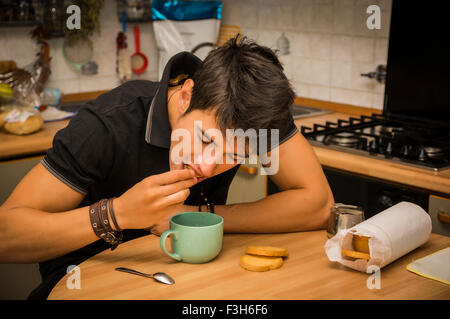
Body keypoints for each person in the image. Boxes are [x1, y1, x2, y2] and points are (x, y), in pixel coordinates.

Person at [0, 36, 334, 299]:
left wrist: (200, 216)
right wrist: (117, 214)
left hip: (189, 282)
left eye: (233, 156)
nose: (207, 165)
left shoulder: (254, 114)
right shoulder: (108, 123)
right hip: (84, 284)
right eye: (205, 139)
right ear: (187, 95)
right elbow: (6, 235)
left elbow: (318, 204)